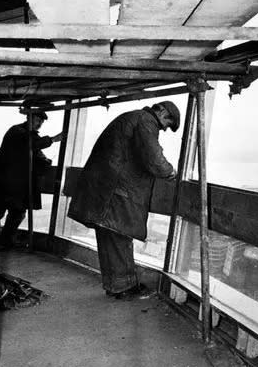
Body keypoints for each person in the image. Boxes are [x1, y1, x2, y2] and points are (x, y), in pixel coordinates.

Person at [68, 101, 180, 299]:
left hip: (104, 188)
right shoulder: (146, 121)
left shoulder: (132, 117)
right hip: (115, 193)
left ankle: (115, 286)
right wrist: (169, 170)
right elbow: (154, 159)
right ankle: (125, 288)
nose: (164, 127)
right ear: (161, 110)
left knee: (109, 238)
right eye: (167, 122)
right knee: (119, 236)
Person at [0, 106, 65, 250]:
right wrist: (53, 139)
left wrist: (45, 161)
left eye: (41, 121)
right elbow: (30, 145)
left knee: (17, 213)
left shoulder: (29, 135)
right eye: (37, 119)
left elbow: (35, 152)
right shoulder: (16, 131)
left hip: (17, 186)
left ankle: (5, 240)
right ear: (28, 117)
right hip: (4, 183)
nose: (39, 123)